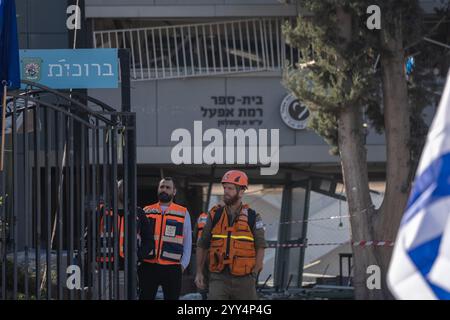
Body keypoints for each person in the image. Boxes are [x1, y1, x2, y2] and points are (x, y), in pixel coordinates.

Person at [195, 170, 267, 300]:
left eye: (230, 188)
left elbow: (260, 246)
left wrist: (254, 274)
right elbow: (203, 244)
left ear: (241, 191)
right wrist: (199, 272)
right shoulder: (214, 215)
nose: (226, 191)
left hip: (245, 280)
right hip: (218, 278)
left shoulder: (253, 217)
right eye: (225, 188)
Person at [137, 177, 192, 300]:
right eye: (162, 187)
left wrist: (182, 265)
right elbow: (139, 238)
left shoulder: (183, 212)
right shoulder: (146, 211)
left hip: (172, 267)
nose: (164, 190)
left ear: (174, 191)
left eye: (168, 187)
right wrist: (140, 259)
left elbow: (187, 242)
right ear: (158, 189)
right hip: (148, 266)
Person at [193, 212, 209, 300]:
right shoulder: (221, 217)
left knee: (202, 279)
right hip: (212, 253)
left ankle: (204, 297)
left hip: (200, 252)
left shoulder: (201, 217)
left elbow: (195, 234)